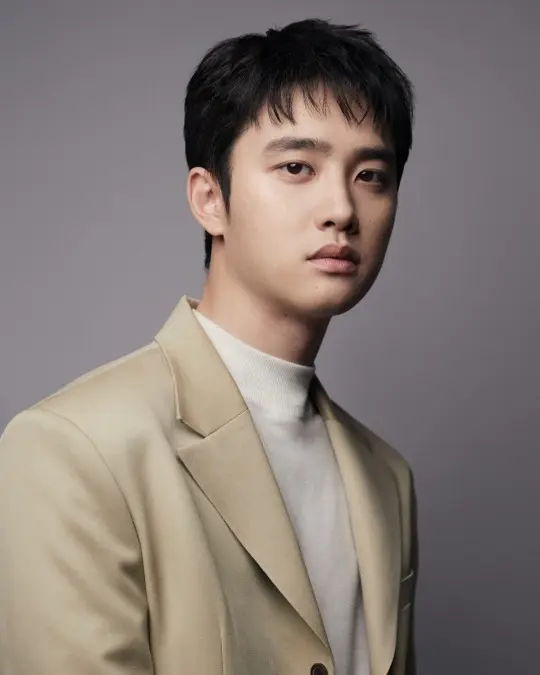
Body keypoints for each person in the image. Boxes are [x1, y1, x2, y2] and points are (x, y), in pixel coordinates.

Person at [0, 18, 418, 675]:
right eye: (296, 167)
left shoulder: (386, 478)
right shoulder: (73, 448)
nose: (341, 208)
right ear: (209, 198)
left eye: (371, 175)